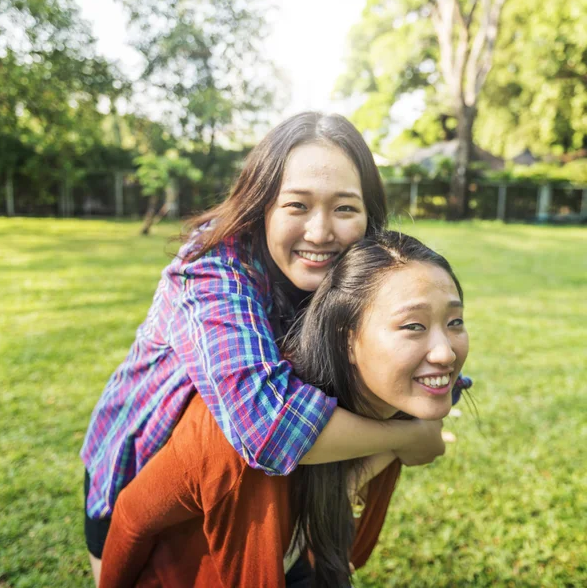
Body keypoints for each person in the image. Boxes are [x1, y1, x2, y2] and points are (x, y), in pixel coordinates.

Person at [82, 112, 471, 581]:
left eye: (345, 208)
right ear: (261, 206)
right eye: (297, 206)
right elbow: (266, 425)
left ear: (369, 216)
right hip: (140, 471)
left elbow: (419, 373)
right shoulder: (210, 270)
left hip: (265, 492)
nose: (321, 232)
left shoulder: (355, 281)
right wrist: (406, 437)